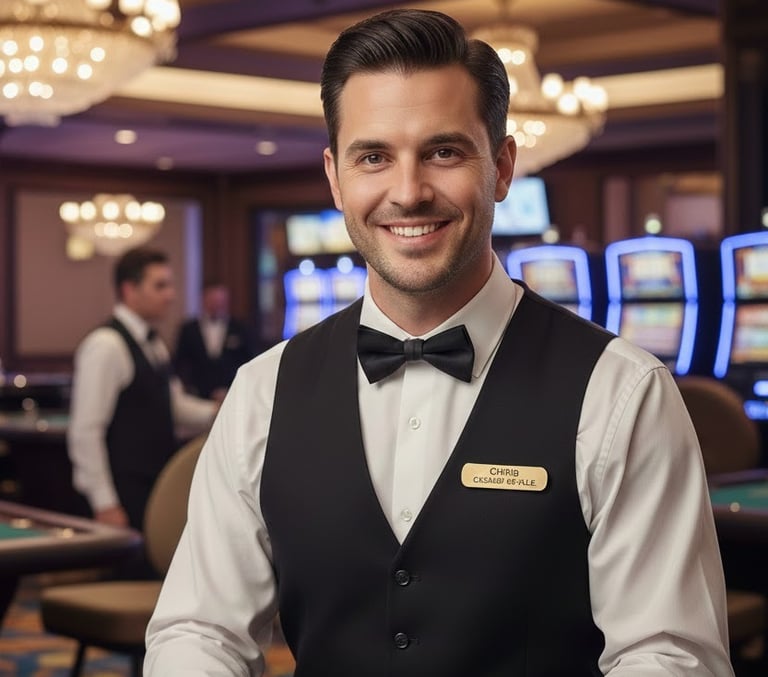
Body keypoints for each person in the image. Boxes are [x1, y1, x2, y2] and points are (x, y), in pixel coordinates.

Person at [145, 9, 734, 676]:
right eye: (374, 157)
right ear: (336, 178)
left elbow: (670, 655)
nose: (408, 191)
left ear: (503, 167)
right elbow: (201, 628)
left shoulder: (623, 392)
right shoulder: (262, 391)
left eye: (444, 151)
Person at [67, 246, 217, 537]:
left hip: (154, 482)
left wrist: (220, 411)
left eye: (170, 285)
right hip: (124, 490)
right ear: (129, 290)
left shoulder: (154, 342)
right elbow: (85, 431)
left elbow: (172, 405)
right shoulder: (106, 345)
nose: (171, 295)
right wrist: (105, 503)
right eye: (160, 285)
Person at [173, 280, 256, 401]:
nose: (217, 304)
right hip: (197, 397)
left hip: (233, 394)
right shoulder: (188, 329)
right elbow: (180, 363)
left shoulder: (240, 328)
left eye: (221, 301)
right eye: (213, 300)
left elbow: (249, 361)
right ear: (203, 299)